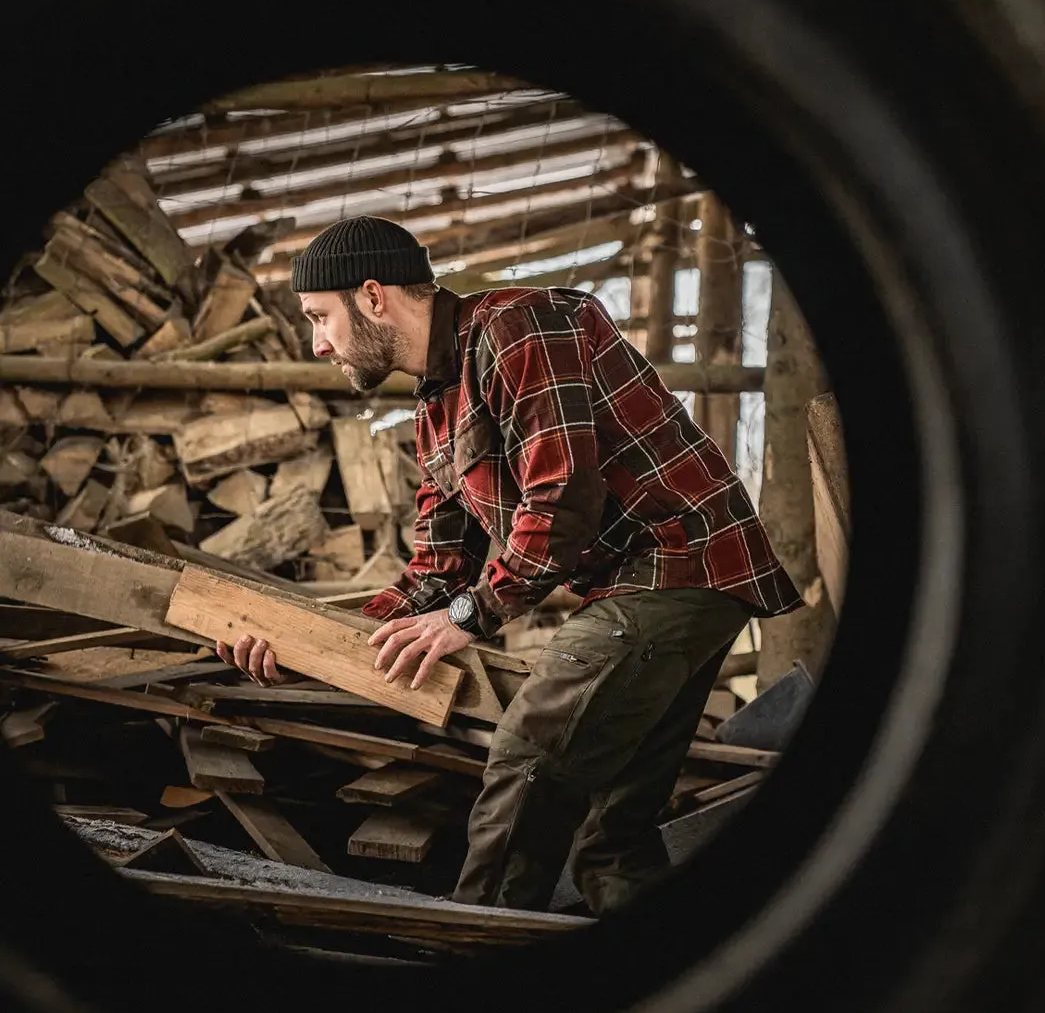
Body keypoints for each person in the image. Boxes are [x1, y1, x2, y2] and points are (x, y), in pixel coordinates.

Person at [217, 215, 804, 915]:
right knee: (611, 836)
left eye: (320, 317)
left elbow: (562, 498)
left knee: (529, 757)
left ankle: (472, 950)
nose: (317, 343)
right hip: (646, 582)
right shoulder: (436, 404)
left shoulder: (516, 326)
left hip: (676, 562)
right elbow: (435, 569)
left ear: (373, 297)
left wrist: (474, 614)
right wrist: (301, 644)